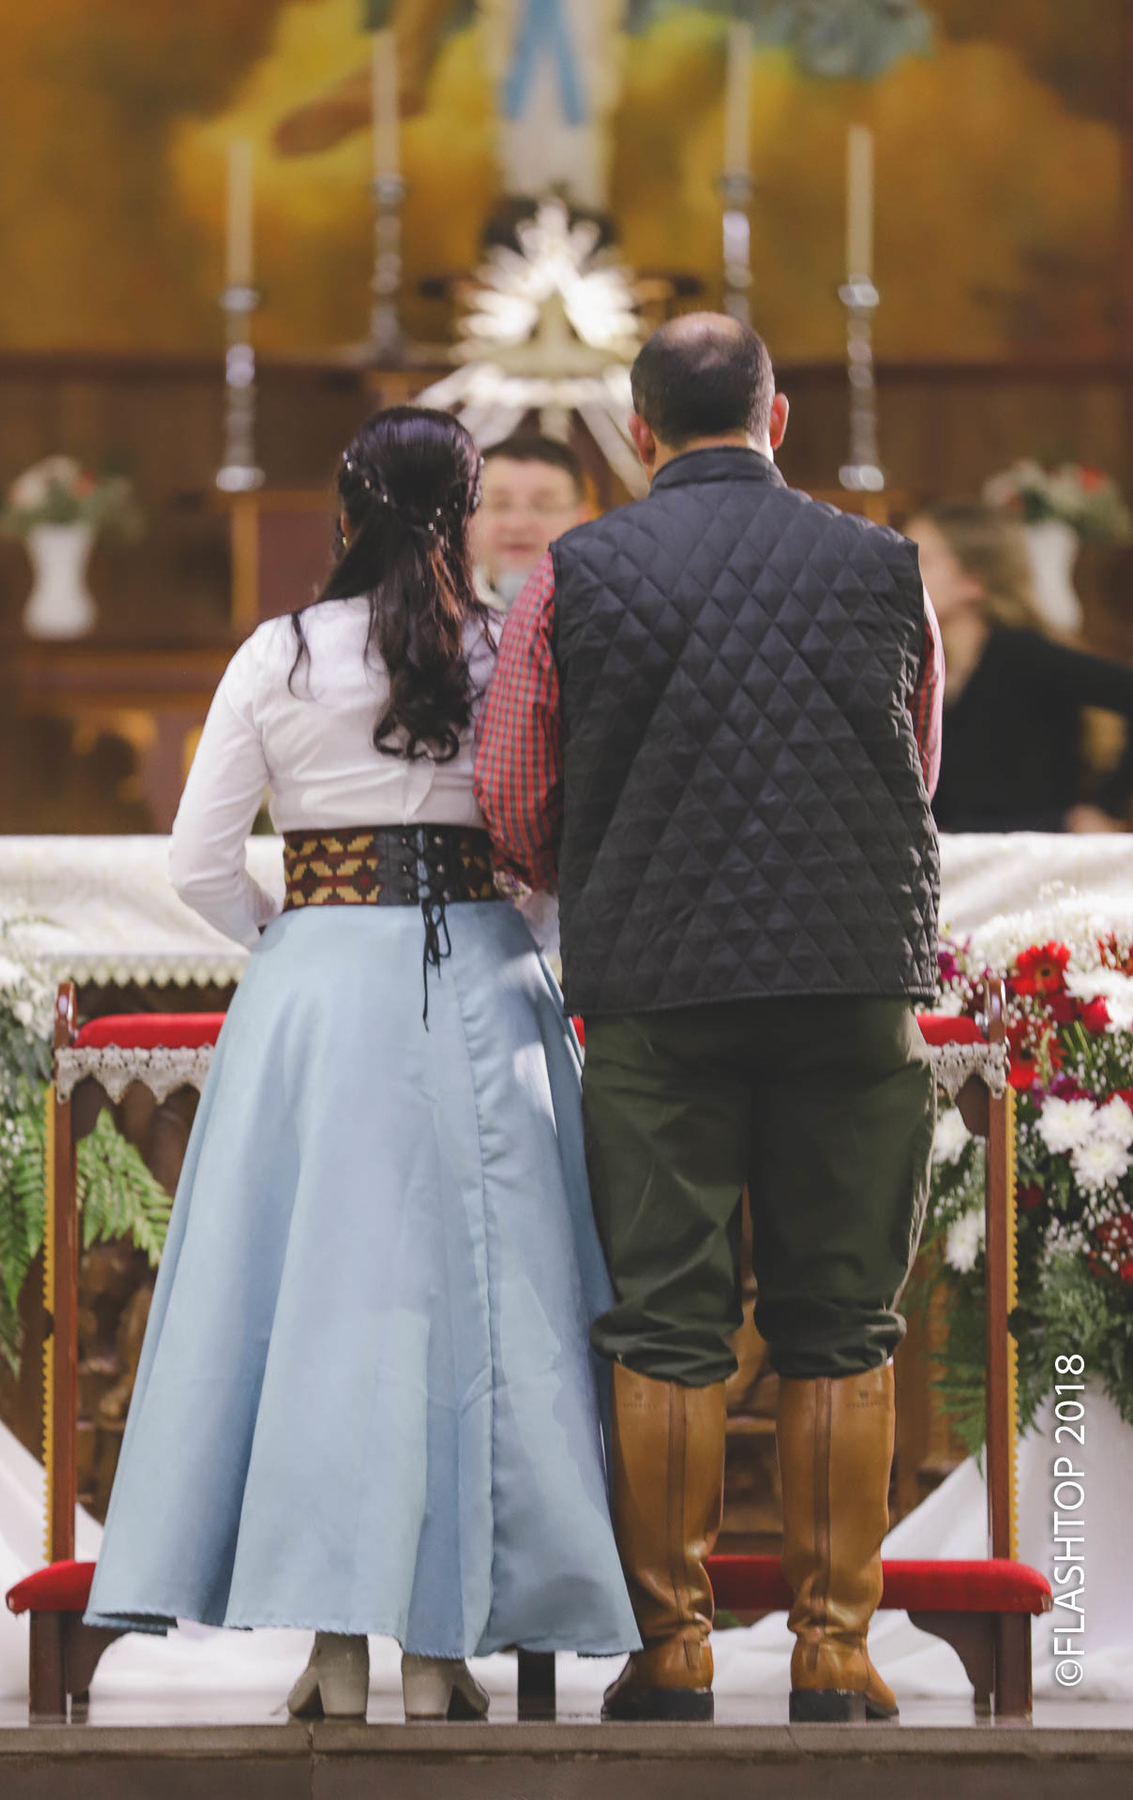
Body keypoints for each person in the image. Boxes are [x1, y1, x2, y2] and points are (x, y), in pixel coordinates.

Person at [84, 407, 639, 1720]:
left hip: (317, 1000)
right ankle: (444, 1647)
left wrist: (292, 942)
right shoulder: (505, 647)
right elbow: (543, 845)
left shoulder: (277, 655)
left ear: (342, 513)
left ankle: (334, 1644)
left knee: (315, 1311)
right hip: (485, 990)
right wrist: (519, 935)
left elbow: (197, 866)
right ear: (458, 519)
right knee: (475, 1312)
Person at [474, 314, 945, 1725]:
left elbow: (513, 795)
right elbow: (919, 768)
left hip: (658, 990)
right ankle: (833, 1653)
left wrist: (598, 869)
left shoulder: (574, 574)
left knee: (667, 1327)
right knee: (843, 1321)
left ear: (637, 430)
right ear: (778, 417)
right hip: (854, 982)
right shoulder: (885, 565)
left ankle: (673, 1647)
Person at [908, 501, 1133, 833]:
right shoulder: (915, 664)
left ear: (973, 581)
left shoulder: (1023, 654)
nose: (901, 575)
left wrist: (1106, 807)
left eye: (921, 561)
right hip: (961, 864)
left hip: (1034, 861)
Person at [471, 435, 589, 614]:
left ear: (581, 520)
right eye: (500, 504)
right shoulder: (437, 616)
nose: (518, 524)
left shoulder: (608, 613)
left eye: (542, 506)